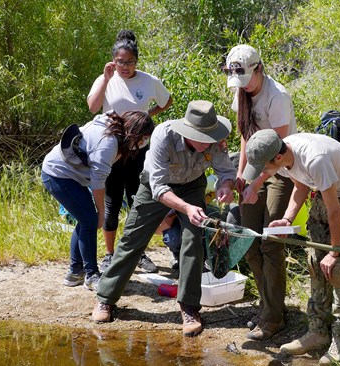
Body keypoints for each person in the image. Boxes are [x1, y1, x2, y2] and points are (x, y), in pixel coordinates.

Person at [91, 101, 237, 338]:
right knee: (133, 239)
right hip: (155, 186)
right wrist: (186, 207)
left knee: (193, 240)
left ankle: (189, 308)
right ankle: (105, 298)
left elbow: (226, 172)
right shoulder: (164, 135)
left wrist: (226, 186)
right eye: (201, 137)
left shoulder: (215, 138)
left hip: (192, 185)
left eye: (209, 137)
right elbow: (158, 187)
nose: (206, 142)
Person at [242, 129, 340, 364]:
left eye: (264, 168)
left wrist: (334, 252)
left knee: (337, 267)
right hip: (327, 192)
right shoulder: (282, 154)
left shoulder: (315, 159)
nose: (263, 174)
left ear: (278, 158)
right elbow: (301, 186)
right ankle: (318, 332)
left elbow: (335, 211)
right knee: (315, 261)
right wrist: (287, 219)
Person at [223, 44, 297, 340]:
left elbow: (277, 153)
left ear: (259, 68)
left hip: (281, 166)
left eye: (246, 78)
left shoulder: (277, 97)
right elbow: (246, 137)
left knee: (270, 241)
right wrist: (242, 177)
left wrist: (256, 183)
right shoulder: (240, 91)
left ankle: (273, 318)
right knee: (249, 241)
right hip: (255, 165)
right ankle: (269, 305)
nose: (242, 85)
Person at [87, 29, 173, 273]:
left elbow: (167, 101)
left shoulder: (148, 80)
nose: (124, 67)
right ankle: (109, 254)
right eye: (120, 62)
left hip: (139, 152)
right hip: (111, 151)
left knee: (139, 202)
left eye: (130, 62)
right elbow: (93, 107)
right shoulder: (106, 79)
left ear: (137, 61)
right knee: (112, 203)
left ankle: (139, 253)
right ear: (113, 60)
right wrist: (105, 78)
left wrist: (148, 115)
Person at [41, 111, 154, 291]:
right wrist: (101, 213)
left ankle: (74, 272)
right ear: (134, 133)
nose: (143, 143)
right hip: (57, 175)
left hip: (71, 176)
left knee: (85, 219)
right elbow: (98, 184)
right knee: (90, 221)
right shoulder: (108, 145)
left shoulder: (115, 129)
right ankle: (91, 275)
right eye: (143, 138)